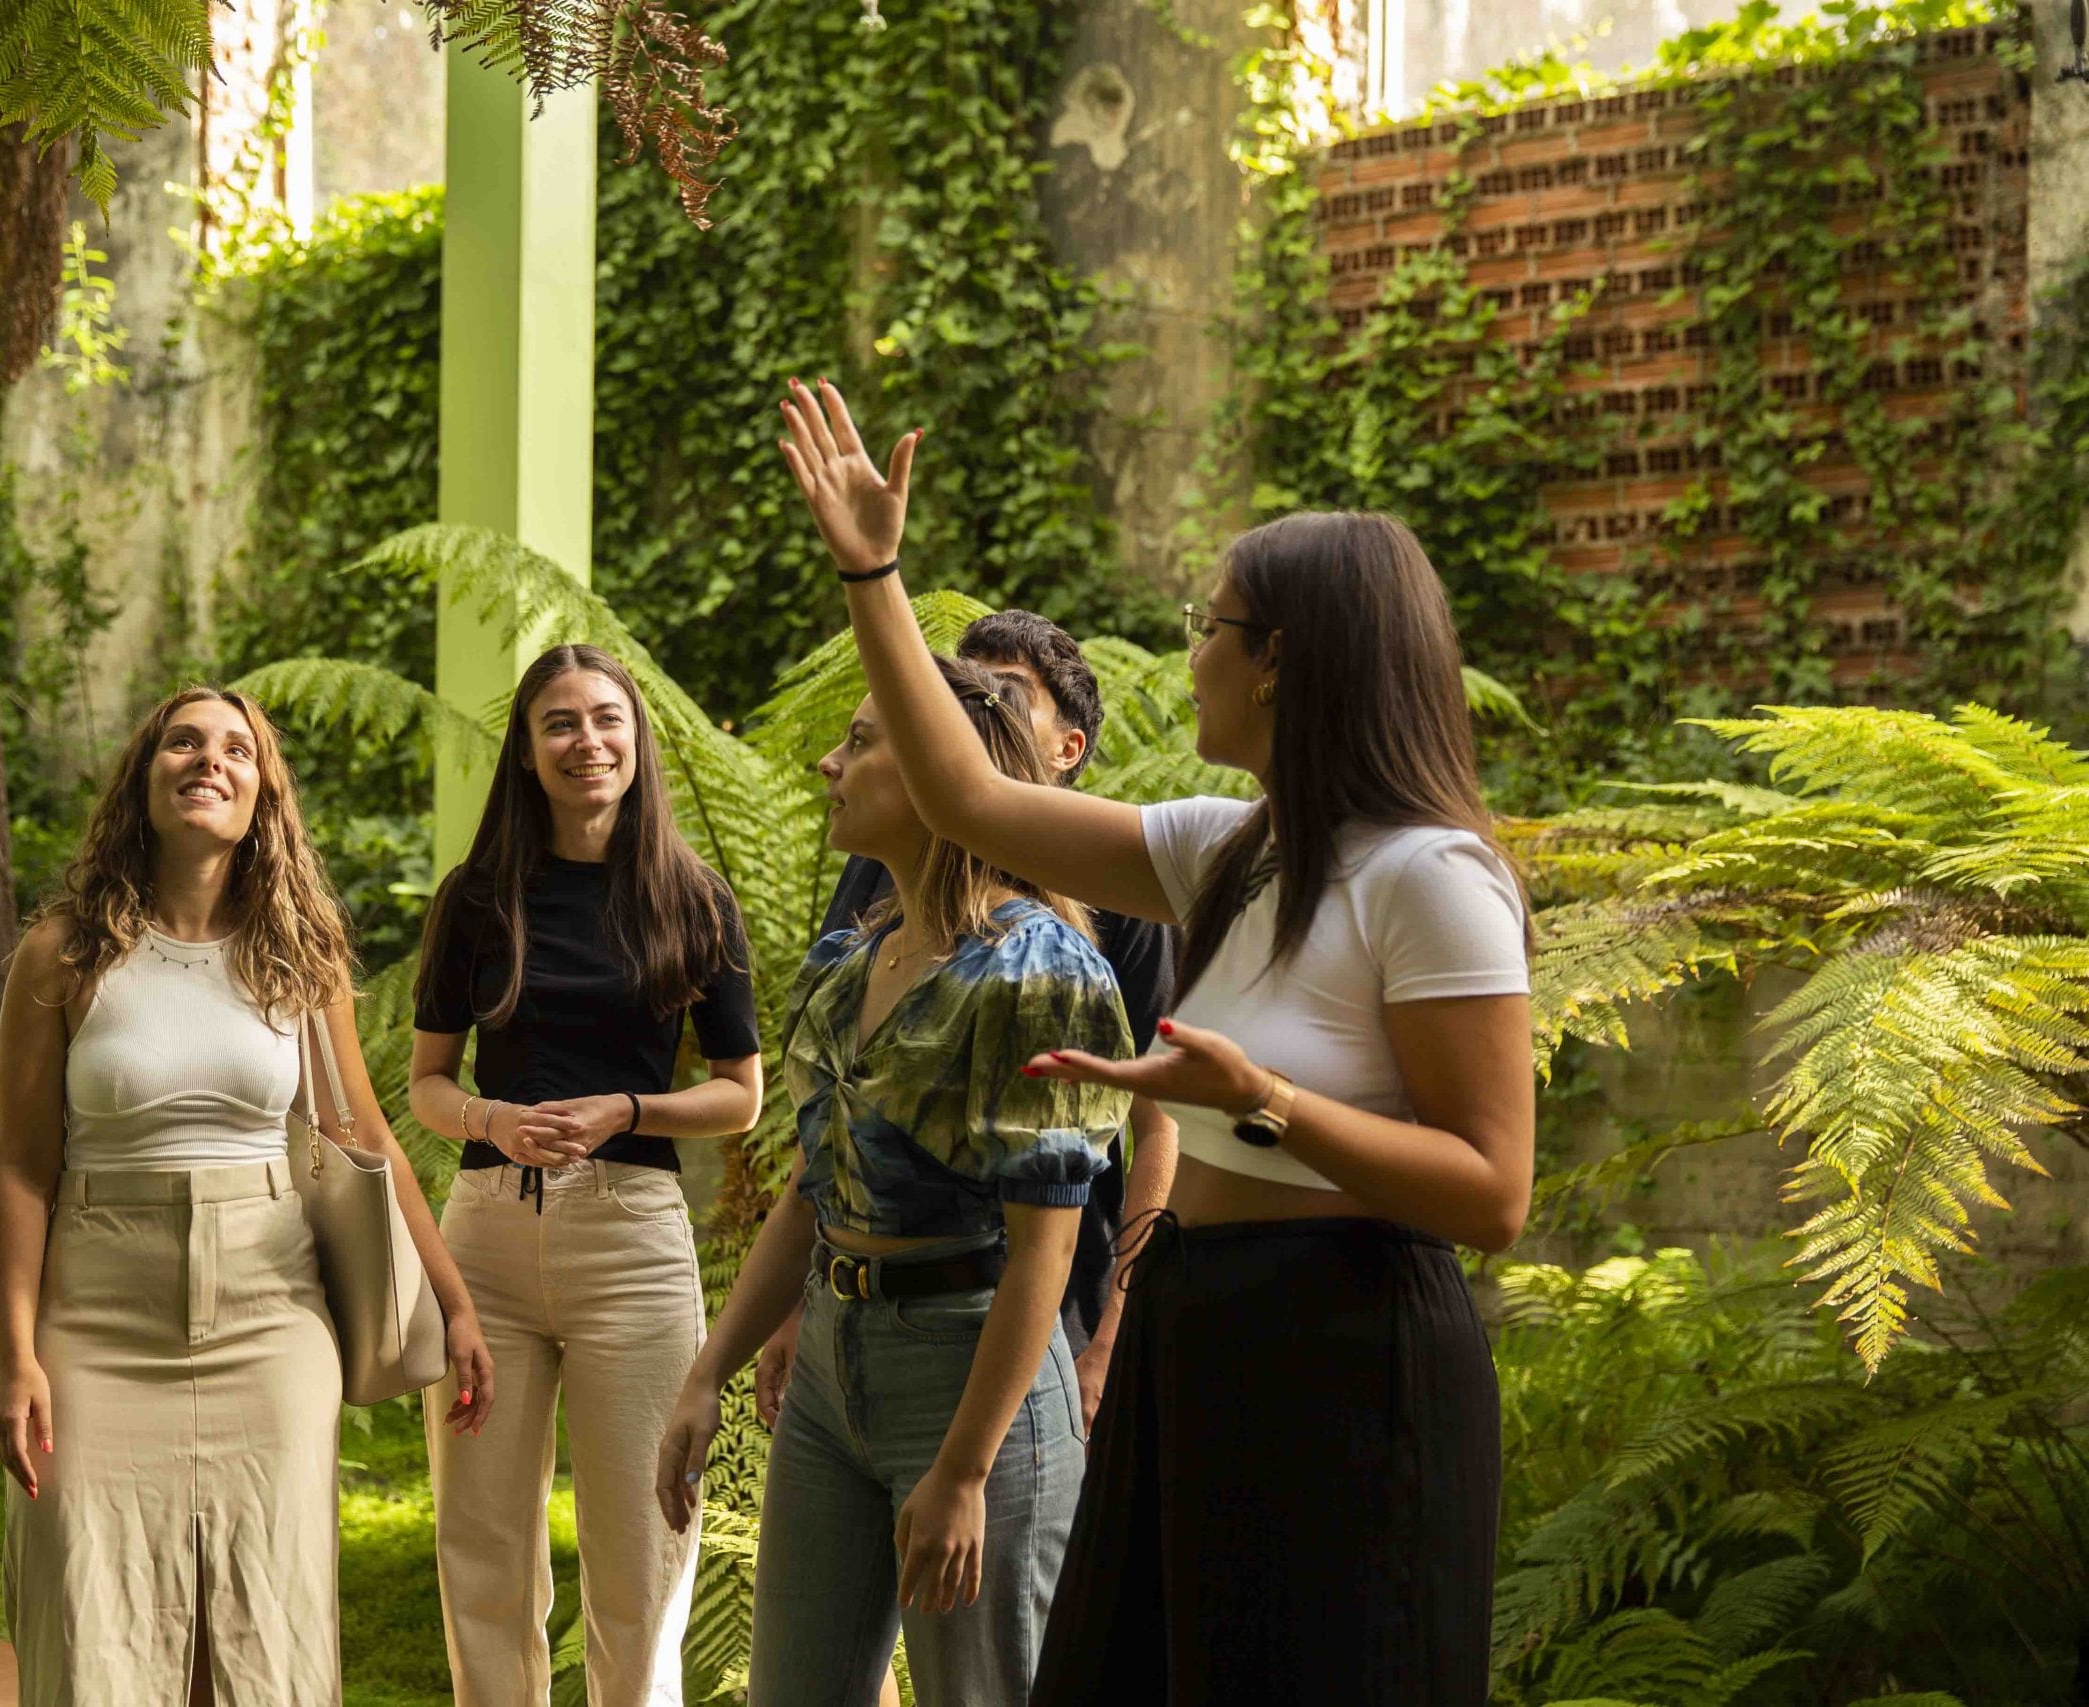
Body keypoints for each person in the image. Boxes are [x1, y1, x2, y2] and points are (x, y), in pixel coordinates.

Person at [778, 378, 1535, 1706]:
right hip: (1202, 1323)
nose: (1191, 654)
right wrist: (872, 575)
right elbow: (968, 792)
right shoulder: (1226, 851)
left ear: (1286, 658)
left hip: (1350, 1353)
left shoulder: (1433, 877)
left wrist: (1262, 1097)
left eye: (1212, 627)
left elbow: (1495, 1190)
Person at [0, 686, 495, 1707]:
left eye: (236, 748)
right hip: (96, 1315)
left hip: (271, 1320)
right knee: (88, 1614)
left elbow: (362, 1136)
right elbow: (21, 1169)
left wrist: (456, 1303)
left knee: (270, 1623)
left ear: (263, 795)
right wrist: (17, 1358)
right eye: (182, 742)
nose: (207, 760)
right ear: (145, 778)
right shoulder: (63, 955)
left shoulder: (298, 962)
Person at [653, 654, 1135, 1707]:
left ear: (936, 770)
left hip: (972, 1377)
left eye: (862, 742)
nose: (829, 763)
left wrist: (962, 1469)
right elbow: (812, 1191)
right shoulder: (843, 961)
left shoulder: (1036, 972)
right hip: (831, 1366)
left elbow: (1045, 1253)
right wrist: (709, 1372)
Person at [407, 643, 764, 1707]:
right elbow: (427, 1083)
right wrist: (492, 1119)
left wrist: (629, 1109)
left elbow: (740, 1093)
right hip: (486, 1242)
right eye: (558, 723)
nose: (586, 742)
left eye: (606, 719)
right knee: (481, 1539)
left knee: (648, 1540)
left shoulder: (693, 898)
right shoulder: (476, 900)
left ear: (636, 739)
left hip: (634, 1245)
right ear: (525, 751)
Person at [755, 610, 1177, 1440]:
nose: (962, 711)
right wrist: (801, 1299)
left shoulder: (1113, 891)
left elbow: (1160, 1122)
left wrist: (1114, 1336)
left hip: (1050, 1284)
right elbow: (842, 1107)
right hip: (864, 1305)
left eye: (1004, 696)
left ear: (1069, 749)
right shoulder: (878, 874)